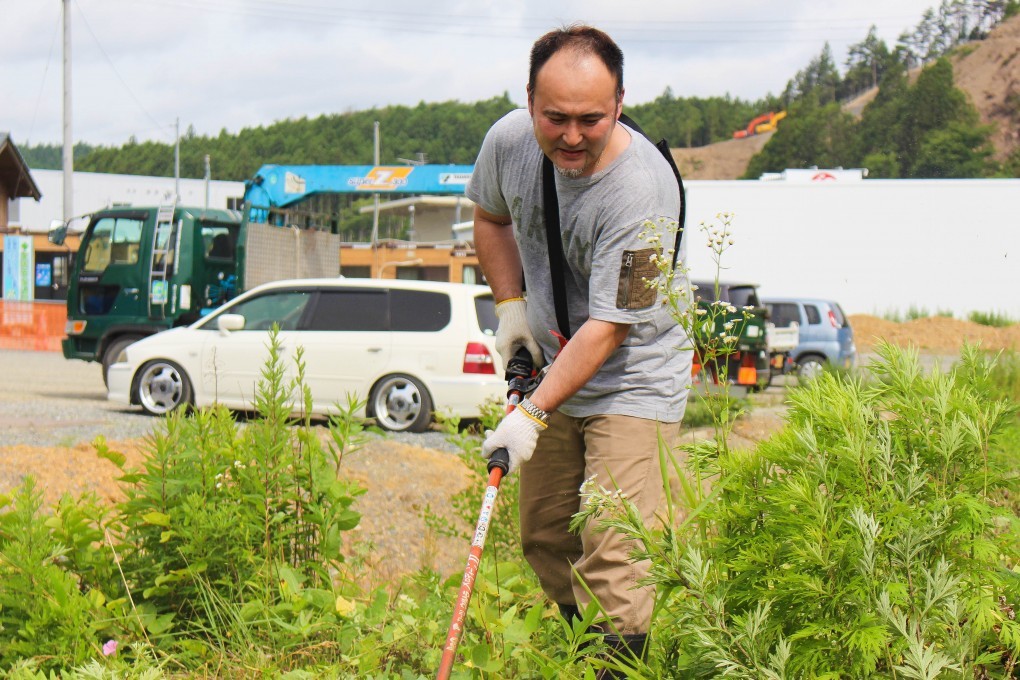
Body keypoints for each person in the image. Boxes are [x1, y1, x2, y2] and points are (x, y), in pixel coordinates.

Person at [465, 24, 693, 669]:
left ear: (619, 103)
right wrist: (511, 311)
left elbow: (611, 326)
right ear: (529, 101)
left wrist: (530, 414)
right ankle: (583, 654)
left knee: (611, 543)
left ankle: (615, 663)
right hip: (552, 361)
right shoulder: (508, 141)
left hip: (634, 374)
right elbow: (489, 217)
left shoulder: (646, 194)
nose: (570, 136)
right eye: (554, 117)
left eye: (589, 119)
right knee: (543, 533)